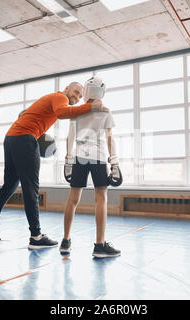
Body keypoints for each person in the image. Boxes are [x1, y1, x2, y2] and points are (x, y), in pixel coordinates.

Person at [0, 82, 109, 249]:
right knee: (31, 188)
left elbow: (26, 114)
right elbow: (62, 113)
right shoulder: (60, 97)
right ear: (67, 88)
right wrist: (91, 108)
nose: (76, 97)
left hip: (11, 138)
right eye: (75, 92)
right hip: (24, 138)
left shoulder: (51, 99)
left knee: (10, 185)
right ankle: (36, 236)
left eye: (79, 97)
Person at [61, 77, 121, 258]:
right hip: (98, 158)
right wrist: (115, 163)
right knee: (101, 199)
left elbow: (70, 137)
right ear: (101, 92)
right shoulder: (105, 112)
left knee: (72, 199)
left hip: (80, 157)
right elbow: (110, 139)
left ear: (86, 91)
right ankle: (99, 245)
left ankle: (65, 241)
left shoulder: (77, 111)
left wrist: (68, 160)